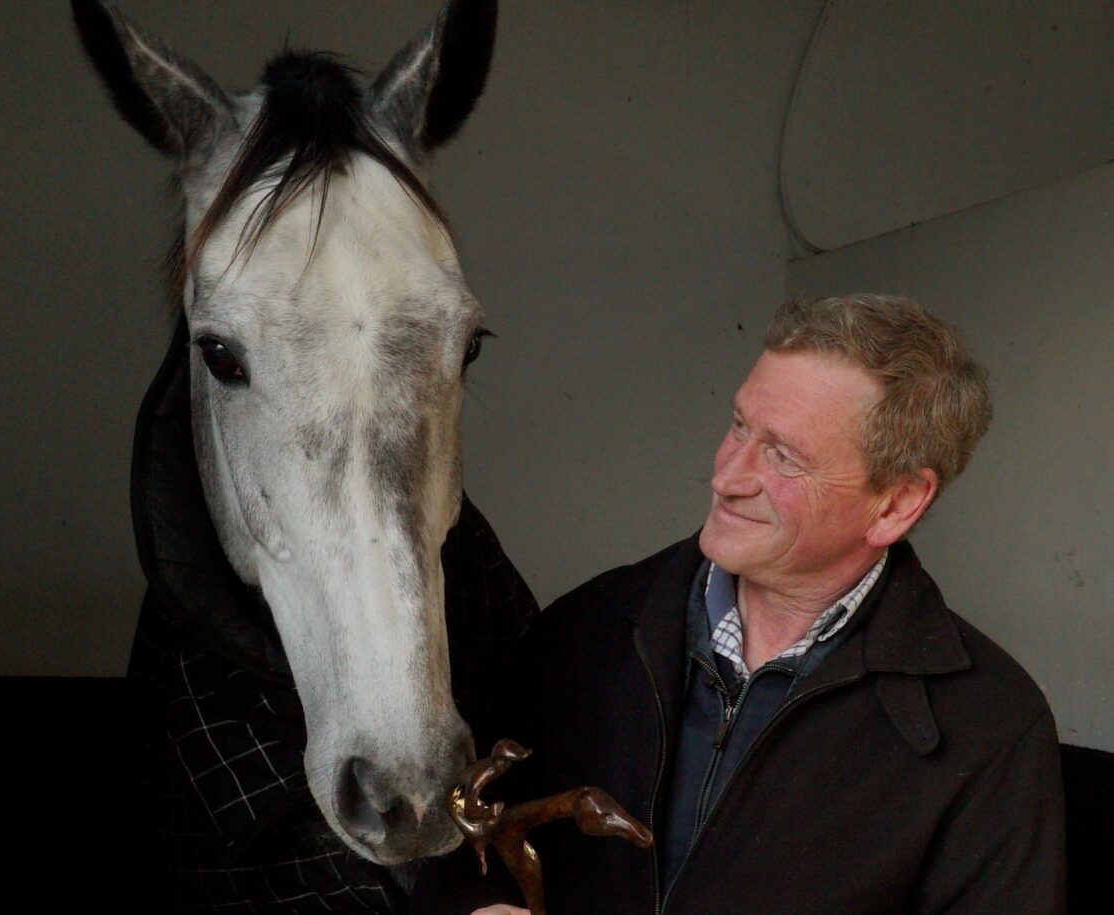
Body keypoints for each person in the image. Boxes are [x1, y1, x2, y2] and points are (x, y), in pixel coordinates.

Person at [409, 294, 1066, 914]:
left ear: (896, 503)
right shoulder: (584, 631)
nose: (726, 475)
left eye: (782, 456)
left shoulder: (991, 727)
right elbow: (458, 844)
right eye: (739, 425)